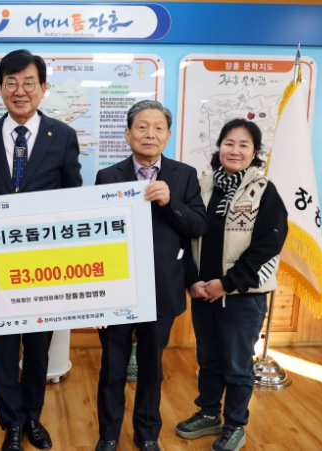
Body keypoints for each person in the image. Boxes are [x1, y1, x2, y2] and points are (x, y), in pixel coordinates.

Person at [0, 49, 82, 451]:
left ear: (43, 88)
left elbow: (73, 195)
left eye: (28, 82)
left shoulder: (63, 135)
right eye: (11, 82)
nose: (19, 91)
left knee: (39, 347)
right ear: (0, 88)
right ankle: (11, 421)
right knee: (3, 348)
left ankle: (33, 417)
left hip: (45, 265)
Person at [93, 100, 207, 451]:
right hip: (117, 290)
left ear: (168, 135)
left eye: (158, 128)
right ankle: (108, 434)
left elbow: (198, 226)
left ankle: (146, 434)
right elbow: (95, 239)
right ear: (128, 134)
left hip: (163, 288)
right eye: (142, 127)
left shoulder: (183, 175)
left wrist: (171, 203)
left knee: (151, 367)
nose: (150, 134)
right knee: (112, 367)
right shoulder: (107, 176)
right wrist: (96, 296)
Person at [175, 118, 288, 451]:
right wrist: (192, 281)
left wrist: (227, 284)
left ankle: (235, 424)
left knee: (238, 365)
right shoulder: (201, 186)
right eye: (229, 143)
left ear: (254, 152)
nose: (235, 150)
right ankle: (209, 413)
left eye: (243, 145)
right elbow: (184, 237)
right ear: (219, 147)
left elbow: (268, 245)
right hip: (203, 293)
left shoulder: (264, 191)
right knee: (208, 360)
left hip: (242, 297)